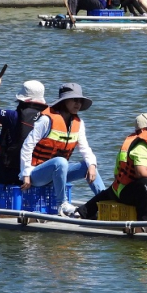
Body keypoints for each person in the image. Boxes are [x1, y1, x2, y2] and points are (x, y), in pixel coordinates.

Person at [19, 83, 106, 216]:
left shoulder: (78, 123)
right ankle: (62, 204)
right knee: (60, 162)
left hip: (58, 172)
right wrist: (26, 174)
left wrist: (92, 165)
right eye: (74, 100)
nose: (78, 104)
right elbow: (27, 145)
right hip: (37, 174)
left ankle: (105, 201)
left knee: (86, 166)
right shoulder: (46, 119)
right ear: (64, 101)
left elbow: (85, 147)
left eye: (80, 101)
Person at [0, 77, 47, 206]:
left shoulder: (12, 116)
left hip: (13, 175)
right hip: (37, 175)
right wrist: (8, 126)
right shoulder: (47, 117)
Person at [73, 112, 147, 220]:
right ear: (144, 130)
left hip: (119, 187)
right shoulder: (139, 146)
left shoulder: (133, 142)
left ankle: (83, 211)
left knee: (108, 193)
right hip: (129, 189)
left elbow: (116, 173)